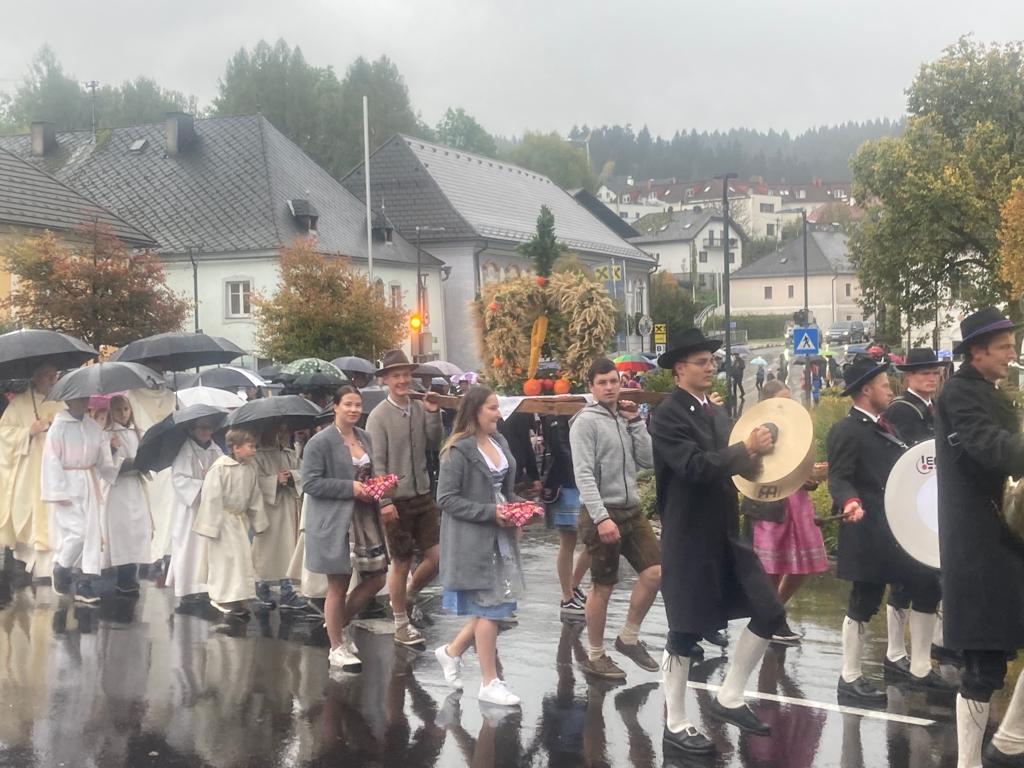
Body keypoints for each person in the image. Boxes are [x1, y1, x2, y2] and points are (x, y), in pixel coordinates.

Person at [649, 328, 782, 756]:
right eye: (702, 361)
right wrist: (745, 448)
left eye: (712, 361)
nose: (711, 367)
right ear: (679, 369)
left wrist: (783, 474)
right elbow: (695, 467)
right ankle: (675, 722)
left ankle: (730, 696)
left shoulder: (718, 412)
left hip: (725, 533)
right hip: (689, 537)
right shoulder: (667, 415)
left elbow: (737, 468)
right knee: (684, 631)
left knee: (770, 610)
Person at [827, 356, 950, 707]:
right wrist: (849, 501)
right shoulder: (846, 429)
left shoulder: (886, 426)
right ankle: (850, 677)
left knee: (925, 585)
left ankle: (920, 667)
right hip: (866, 528)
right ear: (867, 390)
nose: (890, 390)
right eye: (883, 385)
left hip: (895, 528)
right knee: (863, 601)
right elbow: (839, 477)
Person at [934, 308, 1024, 767]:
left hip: (1003, 541)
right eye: (1004, 346)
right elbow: (989, 447)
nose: (1013, 353)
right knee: (982, 668)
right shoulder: (959, 394)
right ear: (977, 351)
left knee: (989, 660)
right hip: (978, 547)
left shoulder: (986, 391)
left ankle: (1009, 742)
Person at [434, 385, 529, 706]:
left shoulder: (499, 441)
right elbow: (446, 499)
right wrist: (491, 513)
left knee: (492, 604)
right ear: (475, 411)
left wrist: (520, 510)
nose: (499, 414)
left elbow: (505, 489)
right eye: (492, 408)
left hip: (500, 535)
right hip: (473, 539)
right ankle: (489, 682)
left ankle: (452, 652)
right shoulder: (457, 451)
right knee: (491, 608)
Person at [570, 357, 660, 680]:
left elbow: (648, 460)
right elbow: (583, 474)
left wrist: (636, 423)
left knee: (655, 572)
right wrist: (601, 518)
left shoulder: (624, 418)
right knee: (603, 586)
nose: (609, 388)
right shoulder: (585, 423)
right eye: (602, 383)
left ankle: (628, 638)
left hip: (631, 509)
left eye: (613, 381)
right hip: (602, 513)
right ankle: (595, 655)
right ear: (591, 387)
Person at [302, 386, 388, 672]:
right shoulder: (320, 442)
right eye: (348, 404)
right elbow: (310, 483)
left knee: (377, 578)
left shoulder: (365, 436)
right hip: (335, 520)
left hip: (365, 517)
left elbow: (371, 472)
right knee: (338, 583)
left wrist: (380, 487)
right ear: (335, 407)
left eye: (357, 405)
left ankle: (337, 624)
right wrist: (349, 487)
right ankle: (336, 646)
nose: (354, 410)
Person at [883, 349, 958, 672]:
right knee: (903, 583)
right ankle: (895, 652)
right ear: (909, 377)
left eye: (935, 373)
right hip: (906, 503)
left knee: (932, 579)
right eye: (924, 373)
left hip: (928, 500)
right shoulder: (902, 410)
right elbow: (916, 454)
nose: (932, 378)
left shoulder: (932, 406)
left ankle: (935, 645)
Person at [365, 349, 443, 647]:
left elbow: (434, 442)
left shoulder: (420, 407)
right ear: (385, 380)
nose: (402, 380)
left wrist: (433, 414)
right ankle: (400, 623)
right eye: (395, 375)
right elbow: (377, 463)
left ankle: (409, 595)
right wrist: (384, 501)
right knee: (401, 562)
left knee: (437, 558)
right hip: (396, 500)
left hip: (423, 492)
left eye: (406, 374)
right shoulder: (378, 416)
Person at [749, 380, 829, 643]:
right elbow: (756, 469)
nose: (788, 405)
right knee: (772, 566)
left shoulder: (794, 428)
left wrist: (809, 476)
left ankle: (775, 611)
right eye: (783, 399)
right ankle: (772, 618)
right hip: (771, 501)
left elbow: (798, 462)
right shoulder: (758, 430)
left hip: (797, 499)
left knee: (804, 562)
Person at [41, 396, 122, 604]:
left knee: (92, 534)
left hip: (88, 481)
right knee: (78, 532)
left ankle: (85, 583)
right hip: (68, 483)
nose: (83, 402)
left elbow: (102, 459)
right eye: (78, 399)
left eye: (85, 398)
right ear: (68, 401)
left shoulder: (93, 427)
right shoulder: (58, 428)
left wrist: (112, 451)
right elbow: (51, 460)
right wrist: (57, 491)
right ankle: (62, 567)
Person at [193, 428, 268, 617]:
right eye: (250, 446)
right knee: (226, 561)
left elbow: (255, 497)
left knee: (241, 561)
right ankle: (222, 598)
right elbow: (211, 497)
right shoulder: (220, 468)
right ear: (236, 448)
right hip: (223, 521)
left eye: (255, 447)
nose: (254, 451)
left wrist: (258, 522)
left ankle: (238, 597)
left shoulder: (250, 469)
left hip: (240, 520)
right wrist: (210, 527)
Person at [0, 362, 64, 577]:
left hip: (55, 470)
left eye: (55, 375)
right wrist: (28, 431)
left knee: (53, 516)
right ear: (36, 378)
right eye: (47, 376)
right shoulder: (20, 404)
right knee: (28, 513)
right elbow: (4, 433)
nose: (53, 380)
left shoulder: (61, 403)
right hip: (29, 471)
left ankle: (52, 568)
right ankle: (24, 565)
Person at [122, 359, 177, 567]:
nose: (157, 376)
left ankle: (167, 551)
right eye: (153, 371)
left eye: (160, 371)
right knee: (149, 508)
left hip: (168, 458)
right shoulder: (132, 396)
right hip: (144, 457)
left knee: (170, 506)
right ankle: (149, 554)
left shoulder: (172, 396)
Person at [167, 416, 223, 607]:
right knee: (189, 546)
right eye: (202, 428)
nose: (206, 431)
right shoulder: (186, 451)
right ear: (192, 430)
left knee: (208, 546)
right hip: (191, 509)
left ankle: (207, 586)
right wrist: (202, 483)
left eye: (209, 428)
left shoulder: (217, 450)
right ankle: (188, 587)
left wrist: (213, 479)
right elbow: (179, 478)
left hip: (210, 507)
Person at [252, 421, 308, 611]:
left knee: (288, 549)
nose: (282, 435)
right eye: (279, 431)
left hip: (289, 506)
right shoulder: (258, 456)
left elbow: (303, 472)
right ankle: (262, 586)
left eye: (285, 431)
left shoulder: (289, 454)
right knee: (267, 550)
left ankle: (287, 590)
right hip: (269, 509)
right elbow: (253, 480)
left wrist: (292, 476)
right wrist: (275, 480)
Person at [540, 412, 591, 617]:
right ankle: (567, 595)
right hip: (567, 483)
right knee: (569, 540)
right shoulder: (556, 415)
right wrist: (583, 470)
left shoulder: (587, 409)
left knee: (594, 539)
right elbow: (560, 450)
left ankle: (574, 585)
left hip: (585, 481)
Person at [101, 394, 152, 595]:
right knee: (121, 532)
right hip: (118, 489)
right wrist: (113, 452)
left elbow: (149, 460)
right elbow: (104, 465)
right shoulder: (106, 434)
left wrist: (144, 463)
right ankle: (123, 575)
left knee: (138, 531)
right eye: (118, 409)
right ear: (111, 412)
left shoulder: (140, 433)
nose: (123, 413)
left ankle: (133, 571)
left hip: (136, 487)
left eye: (126, 409)